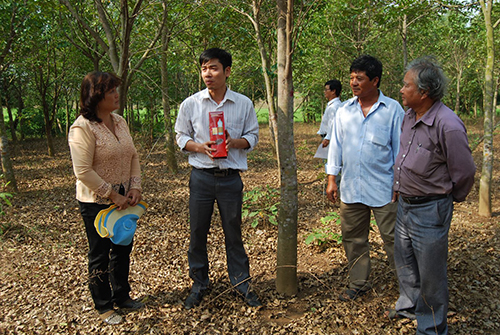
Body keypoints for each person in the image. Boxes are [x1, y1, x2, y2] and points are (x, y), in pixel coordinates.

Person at [387, 57, 475, 334]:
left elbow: (465, 171)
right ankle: (409, 306)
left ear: (424, 92)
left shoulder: (448, 125)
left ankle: (432, 326)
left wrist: (447, 199)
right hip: (405, 205)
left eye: (406, 85)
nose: (401, 90)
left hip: (431, 208)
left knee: (431, 273)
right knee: (406, 261)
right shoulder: (409, 117)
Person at [174, 48, 261, 309]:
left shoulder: (243, 103)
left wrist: (235, 143)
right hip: (200, 177)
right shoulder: (190, 104)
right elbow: (180, 136)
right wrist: (200, 147)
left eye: (213, 68)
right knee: (198, 231)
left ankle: (241, 282)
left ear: (227, 71)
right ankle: (199, 283)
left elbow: (254, 136)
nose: (207, 74)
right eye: (204, 69)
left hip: (230, 179)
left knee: (233, 232)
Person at [326, 55, 404, 301]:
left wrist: (399, 183)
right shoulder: (343, 111)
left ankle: (408, 286)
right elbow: (335, 146)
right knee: (353, 237)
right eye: (351, 78)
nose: (353, 83)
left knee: (394, 239)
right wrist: (331, 178)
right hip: (351, 187)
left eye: (359, 78)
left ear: (375, 81)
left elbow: (400, 150)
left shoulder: (392, 110)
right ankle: (358, 282)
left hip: (384, 189)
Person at [68, 72, 144, 325]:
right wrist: (111, 195)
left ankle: (122, 296)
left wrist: (134, 187)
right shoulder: (83, 127)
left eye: (116, 90)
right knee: (100, 253)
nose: (116, 95)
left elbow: (132, 155)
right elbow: (82, 171)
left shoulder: (119, 121)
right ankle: (103, 305)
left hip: (124, 198)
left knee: (123, 248)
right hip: (95, 202)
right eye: (110, 91)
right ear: (95, 96)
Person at [317, 79, 342, 148]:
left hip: (330, 139)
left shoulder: (334, 107)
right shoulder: (333, 105)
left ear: (333, 91)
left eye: (326, 90)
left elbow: (333, 124)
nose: (324, 92)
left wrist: (328, 138)